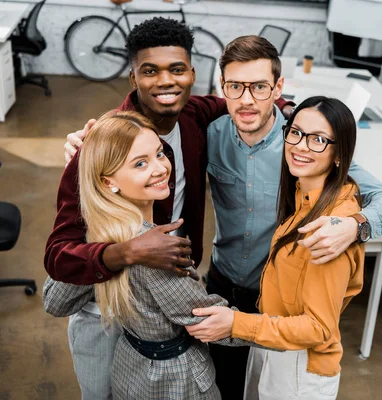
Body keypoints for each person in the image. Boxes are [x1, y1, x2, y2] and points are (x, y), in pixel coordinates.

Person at [45, 18, 292, 400]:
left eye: (177, 69)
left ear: (193, 74)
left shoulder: (193, 115)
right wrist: (128, 251)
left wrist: (286, 106)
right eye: (150, 71)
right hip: (109, 308)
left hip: (170, 301)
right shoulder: (99, 147)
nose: (165, 82)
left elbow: (244, 98)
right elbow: (58, 256)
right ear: (133, 78)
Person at [182, 36, 382, 399]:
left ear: (278, 87)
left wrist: (354, 226)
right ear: (222, 88)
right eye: (235, 87)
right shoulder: (212, 135)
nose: (247, 99)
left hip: (277, 296)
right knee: (227, 385)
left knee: (276, 384)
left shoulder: (303, 146)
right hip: (222, 283)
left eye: (259, 86)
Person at [44, 110, 253, 399]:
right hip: (176, 382)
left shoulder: (97, 230)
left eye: (159, 154)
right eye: (140, 163)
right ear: (108, 182)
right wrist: (284, 330)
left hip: (129, 368)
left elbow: (55, 298)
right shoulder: (154, 253)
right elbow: (207, 319)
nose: (160, 168)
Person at [193, 96, 365, 399]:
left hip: (299, 367)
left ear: (340, 154)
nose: (300, 146)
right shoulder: (302, 195)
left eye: (318, 140)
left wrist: (236, 323)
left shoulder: (329, 229)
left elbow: (318, 328)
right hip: (274, 346)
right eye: (296, 132)